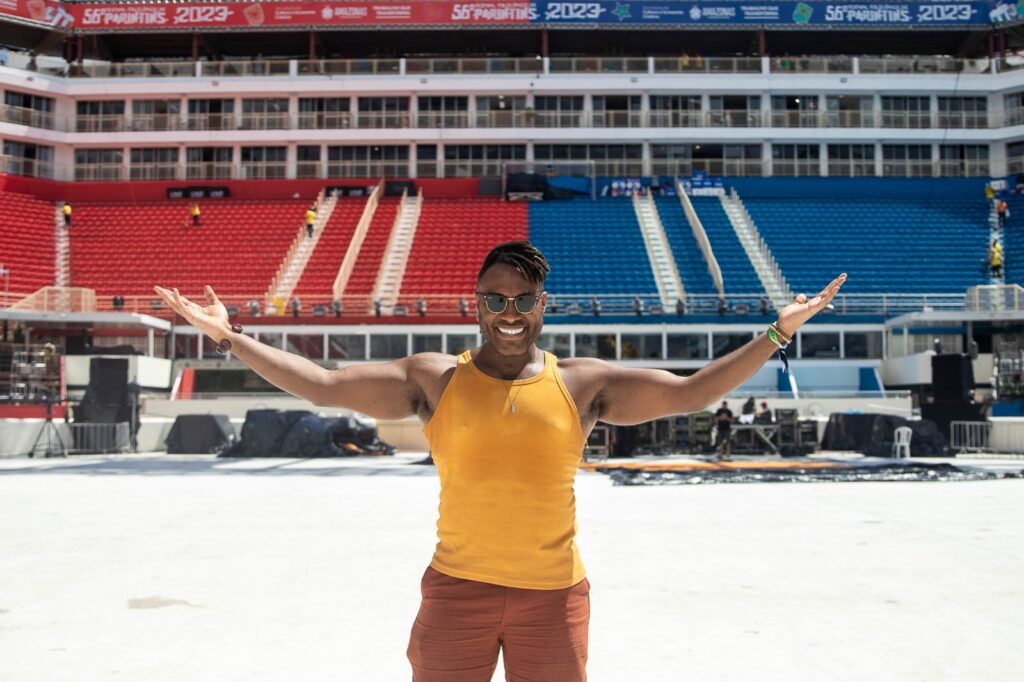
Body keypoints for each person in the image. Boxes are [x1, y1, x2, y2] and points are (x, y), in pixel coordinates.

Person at [153, 241, 845, 681]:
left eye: (522, 300)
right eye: (494, 299)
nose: (508, 311)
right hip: (457, 591)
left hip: (554, 598)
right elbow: (324, 383)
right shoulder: (435, 380)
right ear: (476, 305)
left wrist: (774, 334)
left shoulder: (582, 383)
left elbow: (692, 392)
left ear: (543, 306)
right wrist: (231, 337)